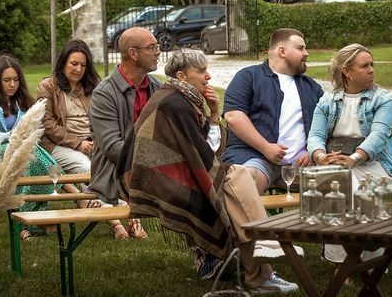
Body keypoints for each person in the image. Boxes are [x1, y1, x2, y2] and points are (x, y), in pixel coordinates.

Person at [118, 49, 300, 293]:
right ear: (182, 76)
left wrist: (214, 113)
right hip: (158, 182)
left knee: (237, 182)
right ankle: (262, 255)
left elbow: (204, 152)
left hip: (170, 175)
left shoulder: (179, 97)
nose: (209, 76)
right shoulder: (176, 103)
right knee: (236, 181)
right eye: (201, 71)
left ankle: (261, 260)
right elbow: (204, 156)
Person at [0, 53, 88, 241]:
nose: (12, 84)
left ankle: (30, 219)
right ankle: (73, 195)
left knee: (30, 157)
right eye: (6, 80)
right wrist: (13, 137)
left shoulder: (21, 98)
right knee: (27, 153)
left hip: (22, 149)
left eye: (16, 79)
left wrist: (21, 139)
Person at [307, 43, 392, 266]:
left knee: (349, 186)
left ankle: (364, 258)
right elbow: (314, 136)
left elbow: (379, 135)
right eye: (365, 66)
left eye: (372, 65)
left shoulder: (384, 99)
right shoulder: (327, 102)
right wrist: (322, 157)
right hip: (338, 164)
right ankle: (346, 263)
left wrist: (354, 158)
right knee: (333, 181)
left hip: (376, 165)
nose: (371, 70)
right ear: (347, 72)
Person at [36, 39, 127, 240]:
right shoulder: (48, 86)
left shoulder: (93, 87)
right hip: (58, 145)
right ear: (63, 63)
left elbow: (104, 119)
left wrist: (98, 141)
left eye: (83, 65)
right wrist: (78, 143)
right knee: (86, 168)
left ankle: (118, 209)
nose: (78, 69)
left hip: (92, 142)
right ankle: (116, 222)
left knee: (116, 164)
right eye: (74, 64)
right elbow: (47, 124)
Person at [222, 28, 324, 194]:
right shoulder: (249, 77)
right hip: (256, 159)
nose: (306, 53)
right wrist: (266, 148)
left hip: (303, 166)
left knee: (341, 182)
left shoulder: (312, 87)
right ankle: (255, 221)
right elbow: (233, 116)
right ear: (281, 51)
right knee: (244, 182)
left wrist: (312, 150)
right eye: (300, 48)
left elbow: (328, 123)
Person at [88, 27, 161, 239]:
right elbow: (113, 149)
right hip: (115, 172)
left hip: (153, 167)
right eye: (152, 47)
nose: (158, 52)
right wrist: (155, 159)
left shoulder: (157, 89)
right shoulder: (104, 93)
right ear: (133, 53)